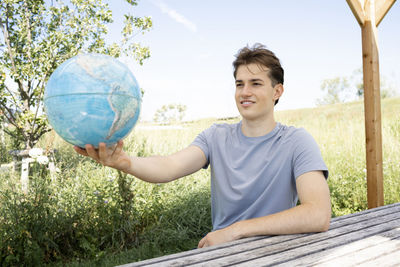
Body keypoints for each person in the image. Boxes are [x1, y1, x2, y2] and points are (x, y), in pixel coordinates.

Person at [74, 43, 331, 249]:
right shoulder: (216, 136)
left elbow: (318, 214)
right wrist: (124, 162)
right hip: (222, 255)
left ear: (277, 92)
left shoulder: (297, 141)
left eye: (256, 83)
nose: (244, 92)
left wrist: (236, 231)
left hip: (278, 253)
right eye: (239, 84)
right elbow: (169, 166)